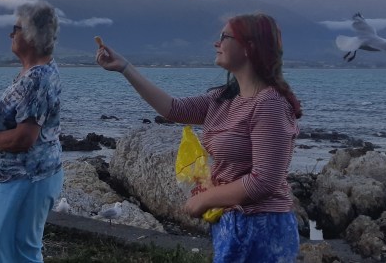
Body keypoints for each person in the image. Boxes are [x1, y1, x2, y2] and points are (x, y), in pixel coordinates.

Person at [96, 13, 302, 262]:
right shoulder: (225, 98)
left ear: (249, 47)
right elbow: (173, 109)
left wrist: (204, 200)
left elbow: (264, 180)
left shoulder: (270, 104)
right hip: (230, 223)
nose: (217, 43)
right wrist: (125, 68)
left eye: (224, 37)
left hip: (263, 228)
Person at [0, 0, 63, 262]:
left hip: (23, 179)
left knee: (16, 253)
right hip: (25, 178)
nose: (10, 34)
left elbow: (23, 138)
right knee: (15, 251)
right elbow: (25, 117)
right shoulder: (35, 72)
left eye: (15, 28)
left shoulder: (36, 78)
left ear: (32, 35)